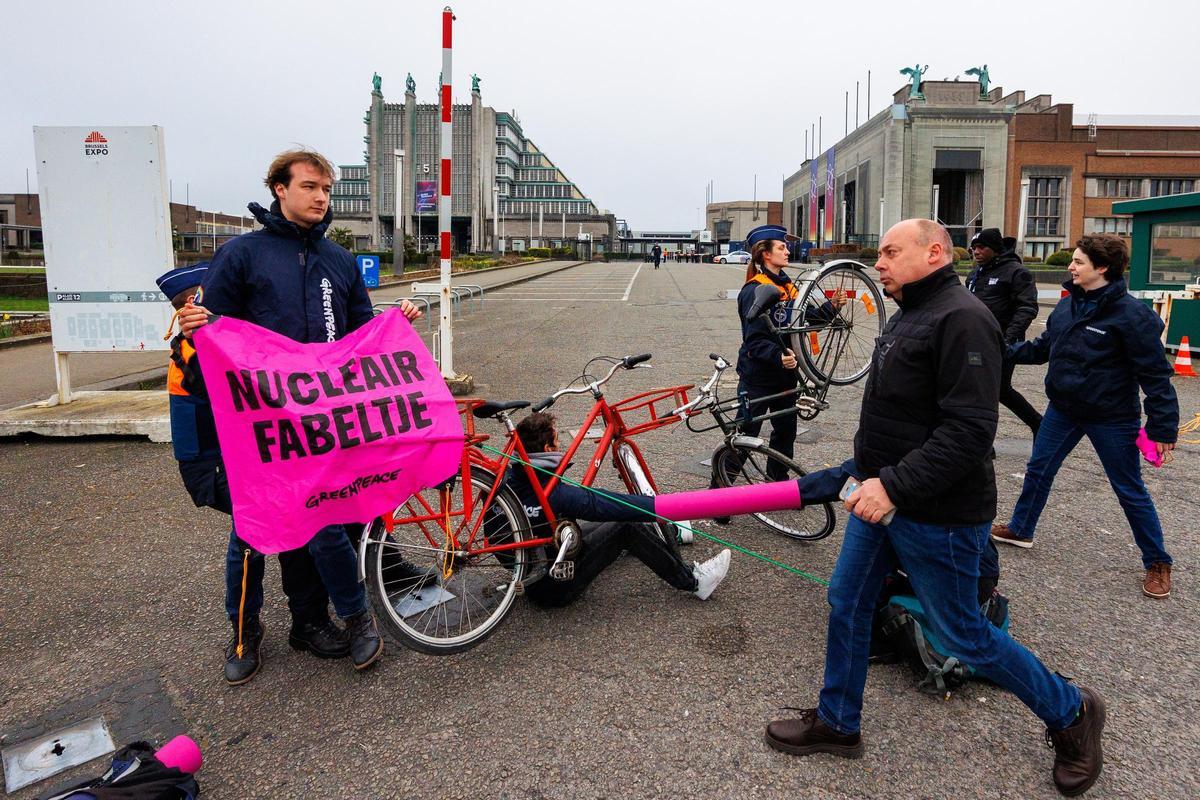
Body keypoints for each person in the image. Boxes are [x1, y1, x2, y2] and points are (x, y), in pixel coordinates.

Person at [764, 220, 1104, 799]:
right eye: (880, 254)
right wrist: (866, 474)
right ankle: (839, 723)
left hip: (937, 513)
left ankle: (1073, 713)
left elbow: (969, 431)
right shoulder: (911, 313)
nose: (880, 264)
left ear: (935, 251)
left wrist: (891, 486)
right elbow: (900, 415)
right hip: (884, 498)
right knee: (847, 600)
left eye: (892, 252)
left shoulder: (964, 319)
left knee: (965, 636)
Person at [179, 148, 422, 672]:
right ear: (279, 190)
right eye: (310, 186)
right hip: (257, 423)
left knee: (320, 518)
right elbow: (212, 337)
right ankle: (250, 631)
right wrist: (195, 332)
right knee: (256, 528)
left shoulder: (338, 261)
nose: (320, 198)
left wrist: (393, 328)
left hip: (320, 418)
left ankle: (312, 623)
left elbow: (359, 336)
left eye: (327, 189)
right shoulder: (242, 254)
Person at [991, 234, 1178, 599]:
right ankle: (1021, 528)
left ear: (1102, 268)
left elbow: (1155, 376)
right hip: (1064, 408)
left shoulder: (1132, 316)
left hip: (1111, 417)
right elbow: (1043, 347)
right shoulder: (1069, 305)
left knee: (1129, 489)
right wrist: (1001, 352)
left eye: (1078, 262)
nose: (1070, 267)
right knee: (1039, 469)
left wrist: (1161, 427)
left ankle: (1157, 561)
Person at [504, 412, 731, 607]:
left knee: (606, 524)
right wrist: (665, 506)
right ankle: (694, 581)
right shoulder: (555, 494)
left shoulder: (505, 483)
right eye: (557, 441)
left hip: (528, 576)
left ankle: (652, 542)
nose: (561, 446)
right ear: (547, 449)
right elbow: (604, 504)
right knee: (625, 524)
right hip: (555, 588)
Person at [966, 227, 1042, 435]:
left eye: (982, 247)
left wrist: (1008, 340)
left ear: (996, 249)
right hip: (977, 341)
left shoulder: (1016, 272)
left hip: (1003, 343)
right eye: (973, 248)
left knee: (997, 389)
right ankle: (985, 440)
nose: (976, 252)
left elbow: (1027, 308)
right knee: (981, 390)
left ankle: (1037, 424)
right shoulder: (974, 275)